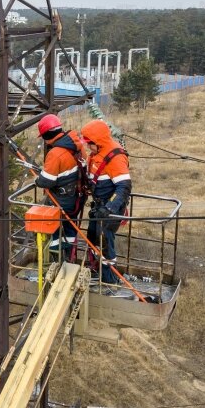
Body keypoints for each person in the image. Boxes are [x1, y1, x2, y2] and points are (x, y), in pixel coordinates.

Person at [81, 119, 131, 284]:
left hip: (110, 208)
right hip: (100, 206)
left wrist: (110, 207)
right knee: (92, 237)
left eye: (90, 143)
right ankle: (97, 269)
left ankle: (109, 279)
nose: (88, 147)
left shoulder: (115, 157)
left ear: (98, 142)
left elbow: (124, 187)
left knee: (104, 242)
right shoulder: (97, 154)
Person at [34, 114, 86, 262]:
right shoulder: (76, 145)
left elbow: (47, 181)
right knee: (70, 228)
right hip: (77, 197)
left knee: (55, 231)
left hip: (61, 200)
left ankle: (55, 261)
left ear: (46, 135)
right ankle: (70, 258)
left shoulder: (55, 153)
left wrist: (38, 180)